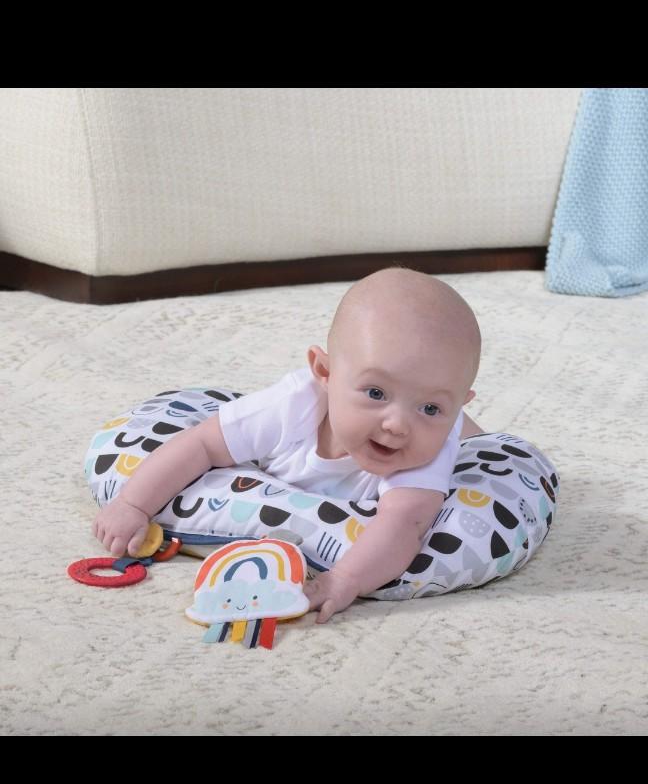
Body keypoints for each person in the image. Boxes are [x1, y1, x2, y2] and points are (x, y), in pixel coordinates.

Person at [92, 267, 485, 623]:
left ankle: (469, 429)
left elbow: (406, 525)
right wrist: (132, 505)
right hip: (293, 420)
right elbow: (201, 444)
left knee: (473, 443)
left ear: (458, 404)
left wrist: (344, 579)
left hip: (447, 442)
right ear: (324, 371)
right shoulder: (293, 406)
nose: (398, 425)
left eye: (431, 407)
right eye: (376, 392)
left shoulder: (428, 451)